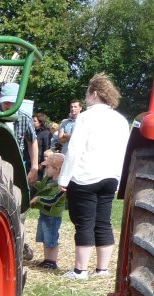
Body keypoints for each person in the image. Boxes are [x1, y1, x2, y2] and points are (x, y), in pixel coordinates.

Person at [59, 73, 130, 280]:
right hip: (110, 177)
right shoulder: (120, 120)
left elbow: (74, 150)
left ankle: (80, 270)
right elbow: (124, 152)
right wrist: (118, 179)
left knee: (84, 223)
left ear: (95, 93)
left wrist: (64, 178)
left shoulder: (85, 117)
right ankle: (102, 269)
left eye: (87, 93)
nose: (86, 97)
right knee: (103, 222)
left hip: (85, 176)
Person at [30, 152, 67, 270]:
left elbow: (53, 200)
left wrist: (38, 199)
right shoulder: (49, 179)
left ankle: (52, 261)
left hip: (52, 217)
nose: (45, 169)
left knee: (51, 239)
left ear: (56, 169)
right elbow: (43, 188)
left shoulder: (61, 186)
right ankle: (47, 260)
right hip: (44, 214)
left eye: (48, 167)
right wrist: (35, 183)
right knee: (45, 238)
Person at [0, 82, 38, 186]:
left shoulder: (25, 118)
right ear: (0, 99)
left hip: (16, 165)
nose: (10, 105)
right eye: (6, 102)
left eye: (13, 102)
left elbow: (32, 141)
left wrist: (34, 167)